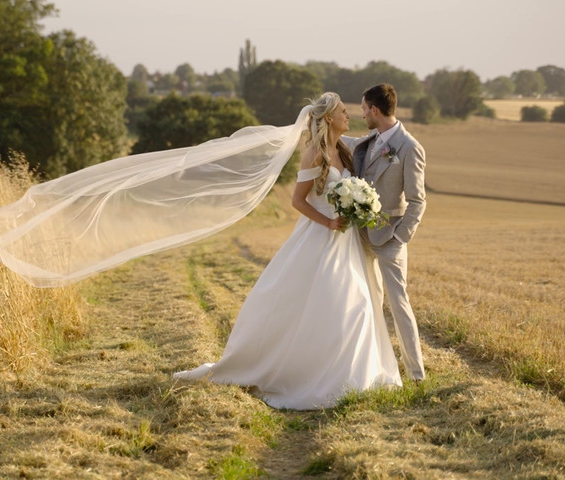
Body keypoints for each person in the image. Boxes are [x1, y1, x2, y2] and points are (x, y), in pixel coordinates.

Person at [173, 92, 402, 409]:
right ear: (328, 118)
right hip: (321, 238)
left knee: (358, 304)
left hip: (347, 242)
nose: (348, 115)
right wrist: (327, 222)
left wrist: (359, 209)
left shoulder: (345, 151)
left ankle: (351, 375)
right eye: (342, 111)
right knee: (339, 303)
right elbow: (298, 200)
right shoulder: (314, 153)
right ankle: (316, 376)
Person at [341, 83, 427, 382]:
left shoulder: (410, 147)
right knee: (365, 300)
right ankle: (369, 367)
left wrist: (400, 237)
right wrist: (321, 128)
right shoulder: (372, 139)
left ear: (374, 110)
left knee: (399, 303)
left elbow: (418, 201)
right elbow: (349, 144)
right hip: (362, 235)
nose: (362, 114)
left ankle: (417, 374)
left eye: (364, 109)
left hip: (390, 238)